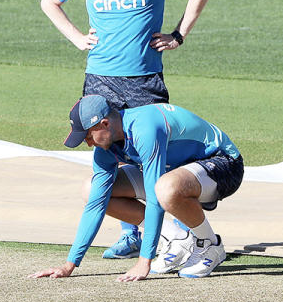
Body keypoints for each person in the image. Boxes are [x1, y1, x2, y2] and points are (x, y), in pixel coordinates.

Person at [41, 0, 211, 261]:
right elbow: (50, 1)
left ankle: (179, 231)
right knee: (107, 160)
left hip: (144, 80)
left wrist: (179, 35)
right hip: (100, 78)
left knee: (150, 157)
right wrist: (76, 38)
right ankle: (133, 233)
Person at [29, 95, 243, 281]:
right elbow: (96, 204)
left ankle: (210, 244)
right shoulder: (106, 148)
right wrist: (70, 264)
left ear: (104, 124)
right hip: (178, 172)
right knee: (90, 189)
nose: (88, 143)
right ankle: (177, 239)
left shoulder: (145, 129)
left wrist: (144, 261)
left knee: (165, 189)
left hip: (224, 164)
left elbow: (154, 199)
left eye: (87, 136)